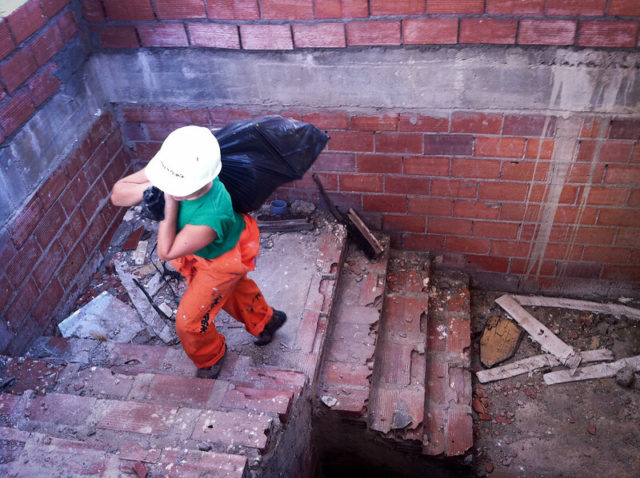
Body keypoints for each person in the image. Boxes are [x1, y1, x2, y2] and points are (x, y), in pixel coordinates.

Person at [110, 125, 286, 378]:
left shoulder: (211, 215)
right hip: (212, 249)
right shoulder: (181, 164)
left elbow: (166, 250)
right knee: (235, 291)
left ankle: (211, 356)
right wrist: (151, 189)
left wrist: (166, 206)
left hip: (222, 261)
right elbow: (118, 194)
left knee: (189, 321)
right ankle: (265, 320)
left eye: (173, 185)